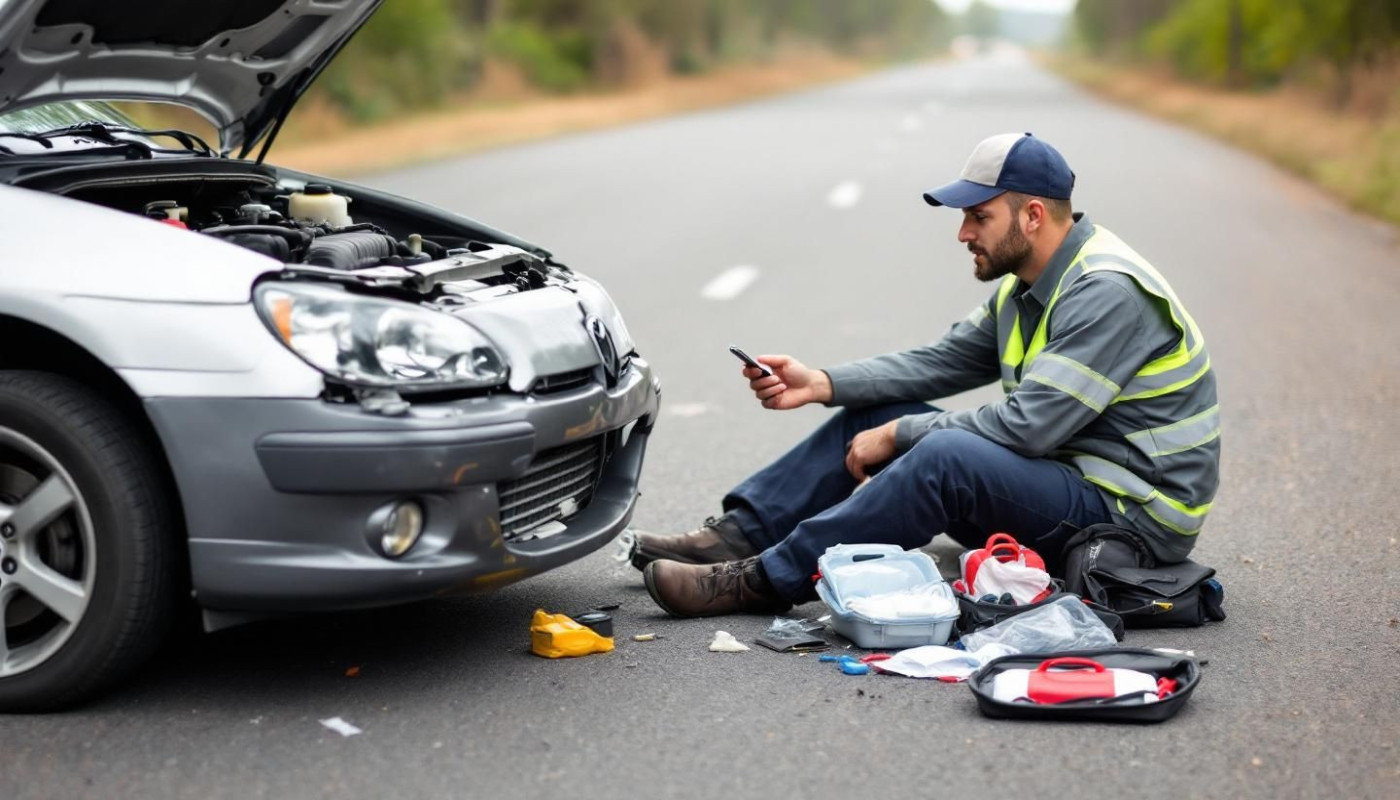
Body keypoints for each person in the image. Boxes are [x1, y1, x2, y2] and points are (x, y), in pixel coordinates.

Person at [634, 132, 1221, 618]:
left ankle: (766, 579)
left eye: (978, 216)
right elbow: (940, 362)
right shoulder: (1029, 287)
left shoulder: (1105, 292)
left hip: (1131, 516)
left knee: (941, 455)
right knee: (881, 416)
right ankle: (739, 537)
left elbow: (1028, 430)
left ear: (1034, 215)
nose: (964, 233)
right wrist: (823, 382)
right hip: (1067, 481)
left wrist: (903, 437)